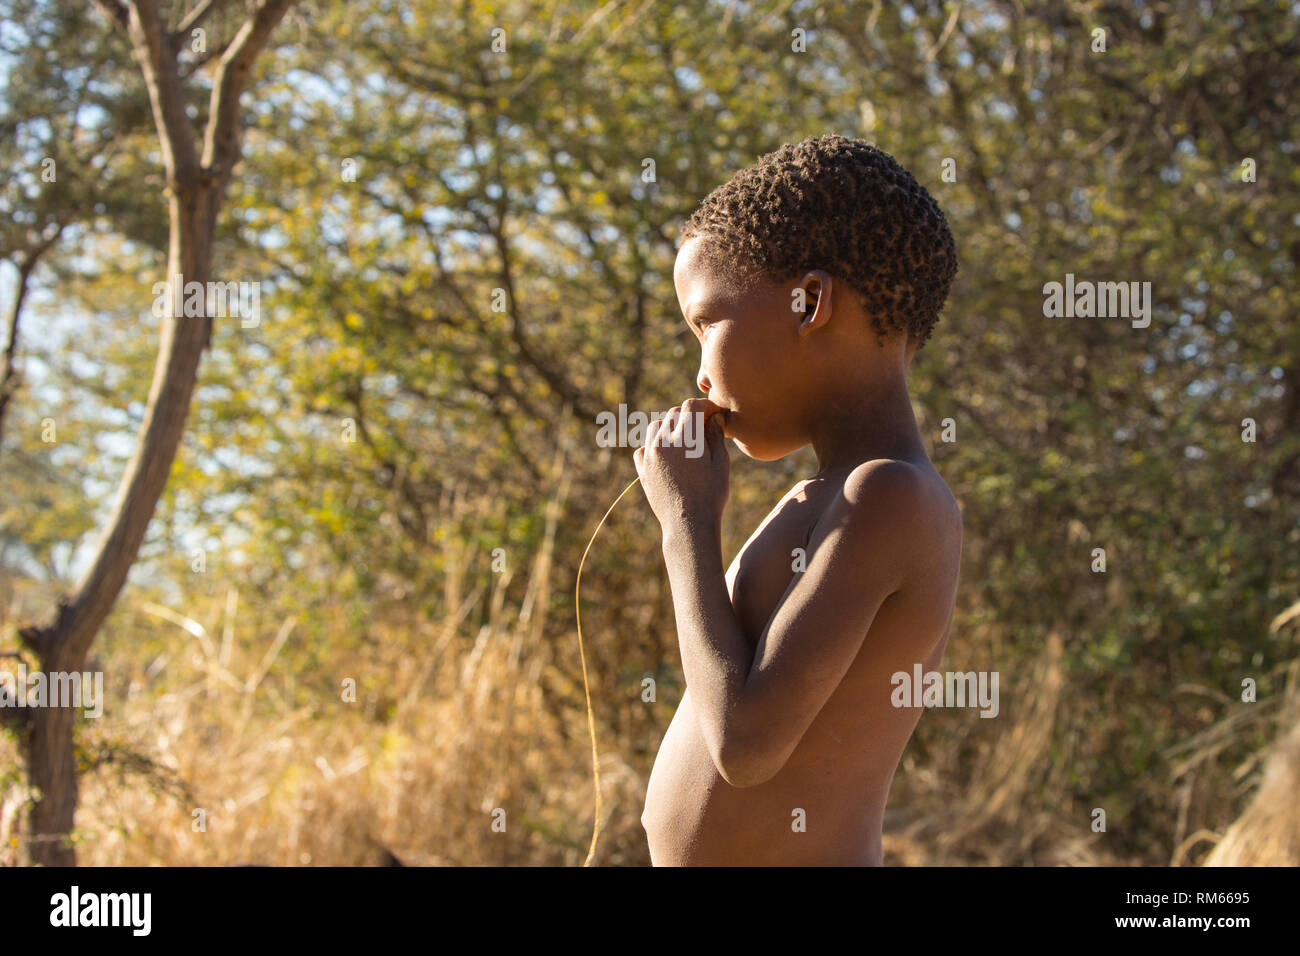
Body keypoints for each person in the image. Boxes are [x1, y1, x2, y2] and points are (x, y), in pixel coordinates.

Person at [634, 133, 963, 865]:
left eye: (706, 323)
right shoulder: (818, 499)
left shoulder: (891, 497)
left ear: (808, 301)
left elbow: (746, 746)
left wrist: (684, 522)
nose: (701, 378)